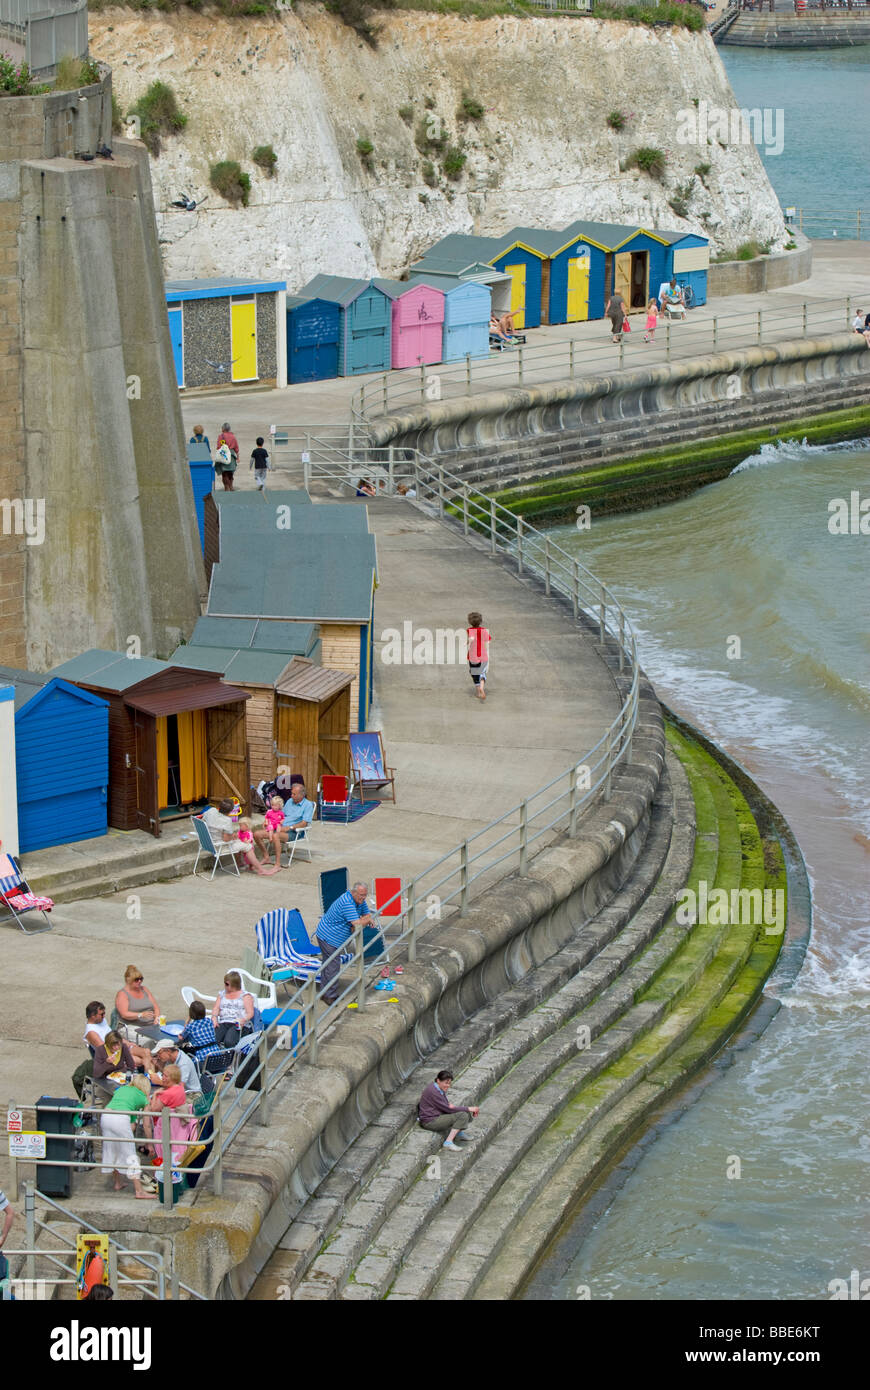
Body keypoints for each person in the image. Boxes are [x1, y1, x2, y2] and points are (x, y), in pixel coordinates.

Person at [315, 881, 375, 1005]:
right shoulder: (347, 902)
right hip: (328, 937)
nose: (363, 898)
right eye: (361, 895)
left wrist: (365, 919)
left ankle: (324, 992)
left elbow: (366, 914)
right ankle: (330, 996)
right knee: (333, 965)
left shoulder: (359, 900)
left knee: (328, 963)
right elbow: (357, 924)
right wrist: (366, 920)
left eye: (365, 895)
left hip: (334, 938)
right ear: (353, 892)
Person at [100, 1075, 156, 1199]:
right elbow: (146, 1125)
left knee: (112, 1149)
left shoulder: (122, 1089)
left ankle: (118, 1183)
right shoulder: (143, 1098)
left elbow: (131, 1125)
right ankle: (139, 1191)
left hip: (106, 1115)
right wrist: (150, 1144)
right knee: (131, 1155)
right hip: (120, 1119)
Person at [417, 1069, 479, 1151]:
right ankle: (448, 1143)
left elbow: (447, 1106)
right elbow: (448, 1109)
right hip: (430, 1121)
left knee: (465, 1112)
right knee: (463, 1114)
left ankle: (458, 1133)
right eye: (446, 1083)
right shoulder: (433, 1091)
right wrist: (469, 1108)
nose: (448, 1085)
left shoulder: (437, 1087)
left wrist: (464, 1109)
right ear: (438, 1081)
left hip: (437, 1115)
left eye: (449, 1083)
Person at [253, 783, 314, 866]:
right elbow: (280, 815)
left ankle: (277, 864)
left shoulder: (308, 805)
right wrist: (269, 821)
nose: (291, 796)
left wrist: (290, 827)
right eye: (291, 793)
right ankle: (266, 856)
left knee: (275, 836)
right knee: (256, 834)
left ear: (301, 795)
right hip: (279, 828)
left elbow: (304, 823)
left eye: (294, 794)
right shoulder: (290, 801)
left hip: (294, 832)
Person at [115, 966, 164, 1046]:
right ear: (128, 980)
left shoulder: (144, 989)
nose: (139, 981)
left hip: (151, 1024)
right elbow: (124, 1014)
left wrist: (156, 1018)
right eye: (136, 980)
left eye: (141, 979)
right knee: (150, 1041)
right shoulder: (122, 994)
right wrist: (140, 1015)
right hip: (133, 1026)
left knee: (166, 1037)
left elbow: (156, 1007)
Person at [211, 971, 254, 1047]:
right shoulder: (222, 994)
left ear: (234, 985)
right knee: (212, 1039)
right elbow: (216, 1008)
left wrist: (243, 1020)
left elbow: (250, 1013)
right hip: (224, 1022)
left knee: (229, 1041)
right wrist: (214, 1017)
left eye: (226, 984)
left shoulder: (245, 996)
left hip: (238, 1024)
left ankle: (231, 1057)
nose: (224, 985)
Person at [178, 1000, 225, 1070]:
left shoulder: (190, 1026)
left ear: (191, 1014)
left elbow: (181, 1037)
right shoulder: (209, 1021)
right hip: (217, 1056)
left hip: (203, 1060)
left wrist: (187, 1021)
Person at [201, 798, 245, 868]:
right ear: (230, 811)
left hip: (206, 842)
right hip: (218, 846)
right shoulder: (227, 820)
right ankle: (240, 863)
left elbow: (202, 819)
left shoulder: (211, 810)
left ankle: (239, 862)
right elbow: (226, 839)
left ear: (219, 806)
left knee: (233, 837)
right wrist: (233, 836)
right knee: (245, 844)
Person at [467, 610, 492, 701]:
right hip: (483, 656)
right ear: (480, 621)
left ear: (470, 622)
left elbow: (470, 641)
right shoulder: (484, 631)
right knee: (482, 673)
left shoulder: (469, 630)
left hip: (473, 656)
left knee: (474, 673)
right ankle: (482, 687)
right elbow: (487, 641)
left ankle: (478, 692)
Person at [216, 423, 239, 491]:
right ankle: (231, 486)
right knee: (230, 472)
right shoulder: (233, 436)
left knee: (224, 472)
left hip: (224, 454)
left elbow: (219, 446)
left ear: (223, 429)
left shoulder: (221, 436)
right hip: (232, 455)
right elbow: (236, 448)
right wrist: (238, 457)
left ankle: (227, 486)